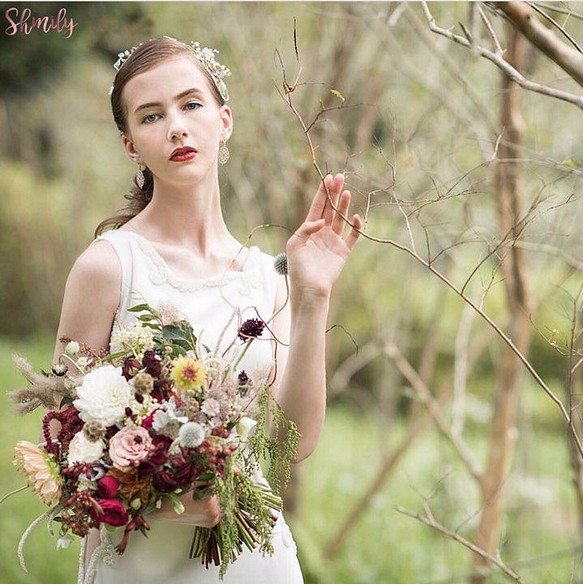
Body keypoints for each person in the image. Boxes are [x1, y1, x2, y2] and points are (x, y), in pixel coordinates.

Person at [53, 36, 362, 584]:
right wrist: (162, 505)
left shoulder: (267, 279)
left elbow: (292, 443)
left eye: (190, 105)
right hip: (137, 565)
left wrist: (312, 298)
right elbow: (64, 464)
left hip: (256, 563)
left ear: (224, 121)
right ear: (131, 145)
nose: (176, 126)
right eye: (151, 116)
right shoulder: (107, 268)